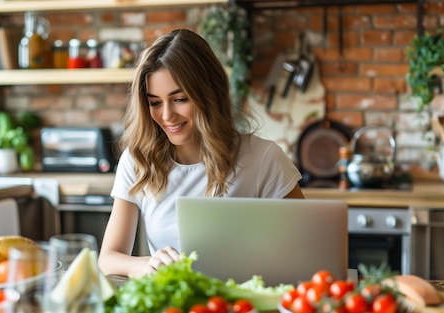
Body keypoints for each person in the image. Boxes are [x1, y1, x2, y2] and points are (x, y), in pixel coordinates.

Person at [98, 29, 305, 278]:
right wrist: (144, 265)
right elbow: (108, 258)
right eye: (155, 102)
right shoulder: (139, 161)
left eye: (180, 99)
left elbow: (306, 250)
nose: (166, 116)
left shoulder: (263, 158)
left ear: (210, 94)